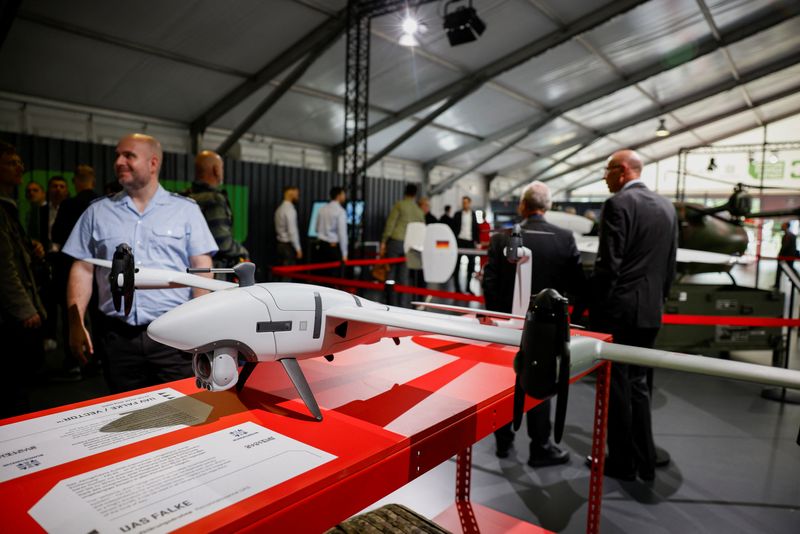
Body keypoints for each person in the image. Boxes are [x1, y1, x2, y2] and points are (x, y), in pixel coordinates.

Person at [63, 133, 218, 393]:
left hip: (175, 336)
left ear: (153, 163)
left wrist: (200, 326)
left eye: (129, 155)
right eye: (117, 156)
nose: (119, 162)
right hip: (116, 339)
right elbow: (83, 268)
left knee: (183, 409)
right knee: (125, 415)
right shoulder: (97, 212)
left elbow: (202, 267)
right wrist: (75, 323)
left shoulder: (186, 211)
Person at [483, 181, 586, 467]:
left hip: (505, 326)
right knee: (542, 382)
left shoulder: (501, 238)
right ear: (547, 206)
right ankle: (540, 447)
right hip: (547, 327)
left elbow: (489, 283)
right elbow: (575, 283)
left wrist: (500, 317)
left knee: (503, 384)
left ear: (523, 206)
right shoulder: (565, 238)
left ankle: (503, 442)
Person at [590, 149, 677, 481]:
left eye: (608, 170)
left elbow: (609, 265)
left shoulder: (618, 205)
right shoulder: (666, 207)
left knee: (618, 387)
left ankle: (622, 463)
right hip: (651, 310)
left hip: (621, 311)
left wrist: (595, 311)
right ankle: (646, 459)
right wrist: (658, 301)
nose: (604, 176)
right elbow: (670, 265)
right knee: (640, 386)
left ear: (623, 171)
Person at [0, 141, 46, 417]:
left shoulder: (9, 208)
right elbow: (3, 267)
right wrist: (25, 308)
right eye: (11, 162)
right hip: (9, 319)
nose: (20, 167)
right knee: (12, 389)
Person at [51, 165, 100, 379]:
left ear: (75, 182)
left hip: (69, 268)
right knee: (99, 319)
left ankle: (74, 361)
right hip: (100, 271)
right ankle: (97, 359)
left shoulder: (69, 205)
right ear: (93, 181)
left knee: (73, 316)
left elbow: (57, 235)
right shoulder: (103, 204)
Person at [186, 150, 248, 268]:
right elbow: (223, 243)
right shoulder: (213, 199)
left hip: (189, 268)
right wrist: (242, 252)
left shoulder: (186, 197)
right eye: (222, 168)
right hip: (212, 271)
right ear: (216, 170)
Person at [381, 184, 424, 304]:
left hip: (396, 242)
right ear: (415, 194)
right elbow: (421, 229)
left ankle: (390, 302)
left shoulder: (399, 205)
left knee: (391, 274)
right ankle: (402, 304)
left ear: (405, 192)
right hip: (409, 246)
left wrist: (384, 241)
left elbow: (390, 224)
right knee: (403, 277)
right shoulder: (419, 211)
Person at [314, 186, 348, 273]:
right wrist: (344, 253)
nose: (345, 196)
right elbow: (342, 234)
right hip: (333, 249)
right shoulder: (340, 211)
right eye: (343, 194)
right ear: (339, 195)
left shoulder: (322, 209)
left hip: (321, 247)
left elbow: (317, 229)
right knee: (333, 277)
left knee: (322, 277)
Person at [453, 196, 480, 294]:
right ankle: (457, 288)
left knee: (471, 265)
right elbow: (454, 228)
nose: (465, 204)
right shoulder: (457, 214)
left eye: (466, 202)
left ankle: (468, 287)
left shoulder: (473, 214)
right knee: (457, 266)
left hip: (470, 242)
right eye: (463, 202)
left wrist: (477, 242)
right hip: (459, 241)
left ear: (470, 203)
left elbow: (476, 229)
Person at [275, 185, 302, 274]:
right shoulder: (290, 210)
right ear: (291, 193)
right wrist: (298, 249)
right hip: (287, 248)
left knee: (281, 274)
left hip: (279, 246)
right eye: (296, 193)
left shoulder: (280, 209)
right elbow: (292, 231)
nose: (298, 195)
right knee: (287, 276)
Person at [775, 221, 797, 287]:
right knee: (783, 270)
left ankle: (796, 281)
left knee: (790, 270)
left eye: (783, 225)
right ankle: (777, 284)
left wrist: (780, 255)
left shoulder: (788, 235)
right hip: (786, 257)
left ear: (786, 226)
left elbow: (785, 247)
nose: (782, 226)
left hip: (787, 257)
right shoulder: (787, 235)